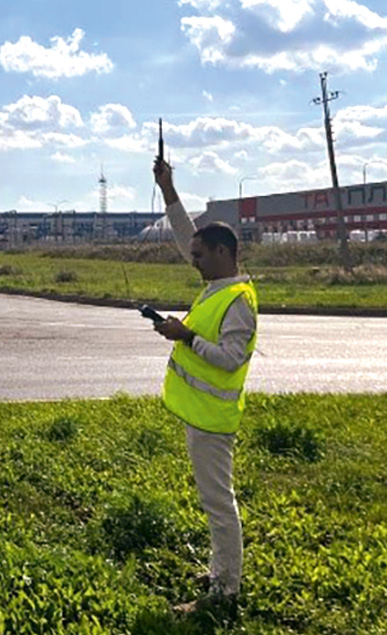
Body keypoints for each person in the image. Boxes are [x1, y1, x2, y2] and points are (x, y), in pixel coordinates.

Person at [151, 155, 259, 620]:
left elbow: (231, 358)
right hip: (201, 416)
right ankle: (221, 572)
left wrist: (186, 336)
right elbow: (183, 237)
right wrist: (168, 189)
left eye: (198, 256)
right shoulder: (219, 285)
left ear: (221, 252)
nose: (191, 262)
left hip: (214, 421)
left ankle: (224, 591)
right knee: (214, 502)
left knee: (219, 504)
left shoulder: (237, 302)